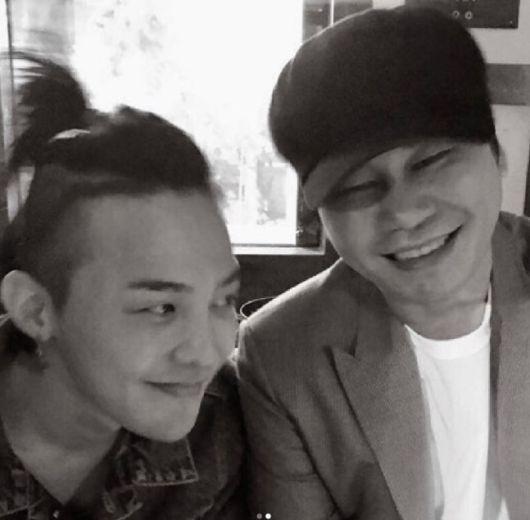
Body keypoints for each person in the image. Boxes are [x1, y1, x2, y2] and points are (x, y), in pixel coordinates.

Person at [237, 6, 524, 520]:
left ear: (496, 153)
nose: (404, 213)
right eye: (355, 187)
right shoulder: (282, 357)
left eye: (430, 160)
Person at [0, 54, 246, 519]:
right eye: (161, 308)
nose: (205, 354)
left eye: (222, 299)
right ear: (36, 310)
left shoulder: (224, 424)